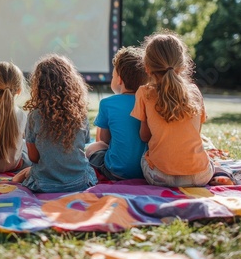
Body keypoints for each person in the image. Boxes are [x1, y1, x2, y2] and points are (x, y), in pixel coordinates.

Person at [131, 32, 215, 187]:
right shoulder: (194, 92)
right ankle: (222, 173)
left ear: (147, 68)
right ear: (182, 65)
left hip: (161, 177)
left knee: (145, 155)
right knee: (209, 157)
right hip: (200, 176)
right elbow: (196, 132)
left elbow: (144, 136)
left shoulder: (144, 93)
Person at [12, 54, 97, 192]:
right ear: (71, 83)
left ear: (38, 86)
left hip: (44, 183)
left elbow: (33, 157)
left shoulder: (35, 116)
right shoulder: (80, 114)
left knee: (24, 174)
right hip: (80, 181)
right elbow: (84, 144)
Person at [85, 47, 149, 180]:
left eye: (113, 76)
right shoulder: (150, 103)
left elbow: (103, 140)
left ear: (119, 80)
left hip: (115, 171)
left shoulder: (107, 103)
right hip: (145, 171)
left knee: (93, 147)